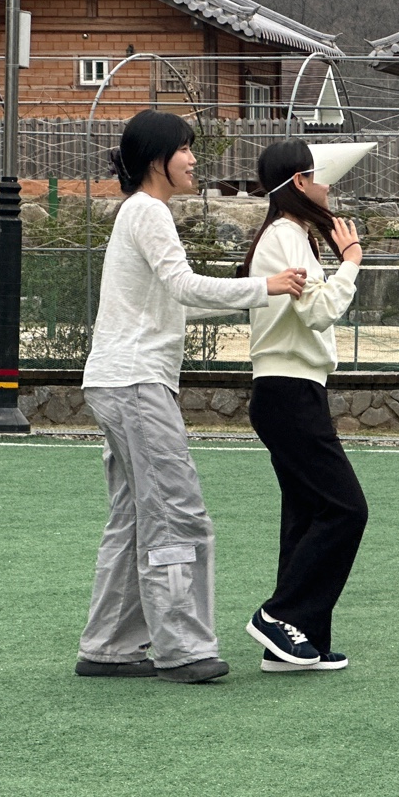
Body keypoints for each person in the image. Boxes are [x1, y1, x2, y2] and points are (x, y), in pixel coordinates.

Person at [77, 110, 305, 684]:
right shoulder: (148, 211)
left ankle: (109, 646)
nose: (194, 159)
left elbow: (174, 301)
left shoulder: (138, 212)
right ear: (157, 159)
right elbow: (184, 285)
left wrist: (257, 295)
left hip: (118, 380)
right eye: (185, 149)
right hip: (135, 383)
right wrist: (266, 285)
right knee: (178, 513)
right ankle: (183, 649)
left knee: (135, 517)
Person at [239, 140, 370, 673]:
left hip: (290, 390)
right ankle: (280, 615)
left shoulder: (288, 234)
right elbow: (318, 312)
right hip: (289, 391)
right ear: (298, 182)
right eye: (320, 177)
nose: (328, 186)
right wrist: (352, 262)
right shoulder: (286, 236)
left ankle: (298, 640)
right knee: (346, 509)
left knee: (307, 514)